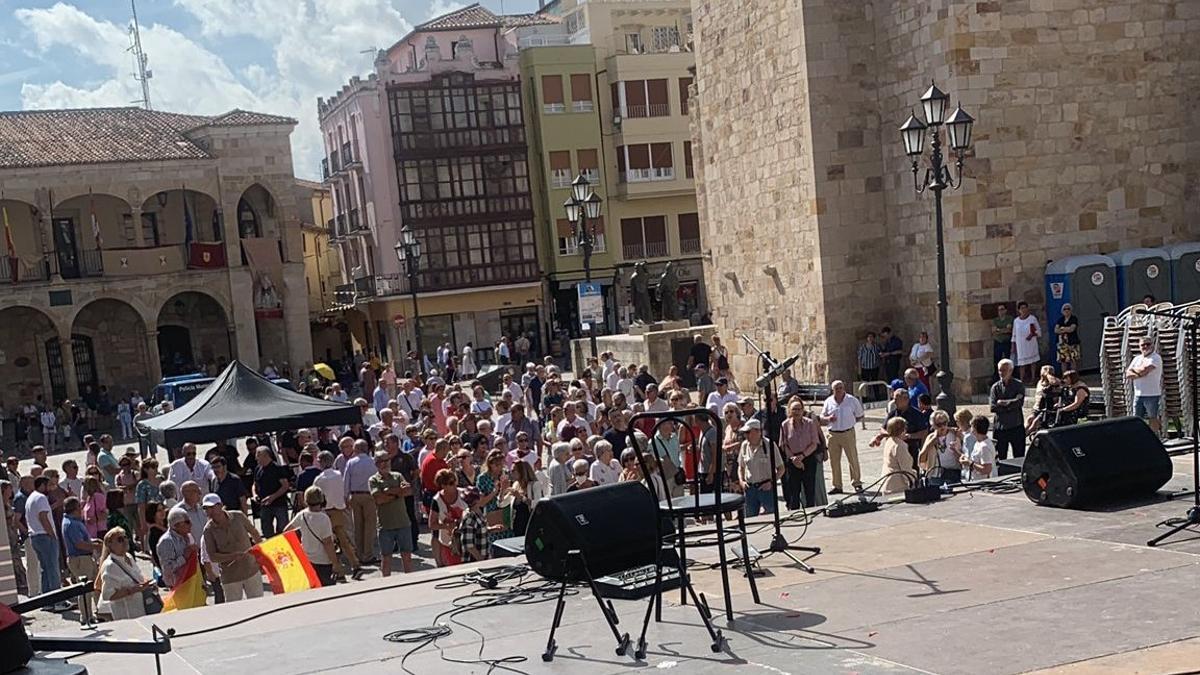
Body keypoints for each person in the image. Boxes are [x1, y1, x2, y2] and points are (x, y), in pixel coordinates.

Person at [202, 493, 264, 602]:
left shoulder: (238, 516)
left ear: (220, 505)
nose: (209, 511)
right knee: (235, 609)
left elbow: (254, 533)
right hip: (230, 577)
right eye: (206, 509)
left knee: (258, 604)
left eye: (212, 507)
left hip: (251, 569)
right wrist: (232, 556)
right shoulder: (208, 530)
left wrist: (261, 555)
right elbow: (212, 556)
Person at [313, 451, 361, 576]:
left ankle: (338, 570)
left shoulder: (319, 479)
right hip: (339, 510)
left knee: (329, 543)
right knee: (343, 540)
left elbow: (317, 496)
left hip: (326, 512)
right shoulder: (339, 474)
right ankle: (355, 564)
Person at [286, 487, 345, 587]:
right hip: (323, 560)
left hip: (307, 559)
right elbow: (328, 543)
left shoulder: (302, 515)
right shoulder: (324, 518)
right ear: (321, 499)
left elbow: (287, 531)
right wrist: (335, 563)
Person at [370, 451, 413, 576]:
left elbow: (408, 490)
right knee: (386, 557)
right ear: (377, 464)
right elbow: (379, 499)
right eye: (382, 461)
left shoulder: (398, 476)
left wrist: (389, 491)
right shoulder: (373, 480)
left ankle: (410, 581)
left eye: (387, 460)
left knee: (407, 555)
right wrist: (398, 494)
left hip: (403, 522)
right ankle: (386, 583)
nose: (385, 463)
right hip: (385, 525)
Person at [96, 528, 154, 620]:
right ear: (110, 544)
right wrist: (132, 590)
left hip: (140, 609)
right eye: (120, 539)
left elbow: (138, 576)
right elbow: (107, 595)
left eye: (126, 537)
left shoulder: (129, 557)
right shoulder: (110, 565)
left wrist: (146, 583)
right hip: (126, 614)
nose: (125, 541)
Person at [26, 476, 67, 607]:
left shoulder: (32, 497)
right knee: (53, 569)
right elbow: (43, 517)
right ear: (42, 485)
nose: (50, 488)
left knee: (45, 569)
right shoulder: (41, 497)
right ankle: (59, 601)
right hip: (45, 537)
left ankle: (47, 602)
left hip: (35, 536)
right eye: (48, 485)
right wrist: (52, 535)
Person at [820, 380, 864, 494]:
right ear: (832, 390)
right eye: (836, 388)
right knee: (834, 461)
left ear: (844, 388)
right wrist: (829, 418)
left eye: (840, 387)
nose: (839, 390)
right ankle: (837, 485)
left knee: (852, 458)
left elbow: (860, 415)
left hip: (847, 433)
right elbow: (822, 416)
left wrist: (850, 422)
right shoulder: (828, 401)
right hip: (833, 434)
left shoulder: (852, 400)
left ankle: (857, 483)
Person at [779, 400, 821, 510]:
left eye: (799, 409)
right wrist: (794, 459)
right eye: (794, 409)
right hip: (792, 460)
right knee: (794, 492)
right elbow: (783, 445)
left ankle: (811, 511)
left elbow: (814, 443)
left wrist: (802, 456)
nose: (796, 412)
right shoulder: (784, 425)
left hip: (808, 458)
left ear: (803, 410)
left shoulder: (810, 423)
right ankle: (795, 513)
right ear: (790, 411)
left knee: (809, 489)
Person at [736, 419, 784, 516]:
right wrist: (741, 481)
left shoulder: (770, 445)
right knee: (750, 519)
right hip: (750, 489)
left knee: (771, 517)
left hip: (766, 488)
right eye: (745, 433)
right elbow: (740, 467)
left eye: (748, 432)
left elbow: (781, 468)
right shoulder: (744, 445)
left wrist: (771, 482)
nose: (746, 435)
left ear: (758, 431)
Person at [343, 439, 379, 565]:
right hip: (369, 495)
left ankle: (359, 553)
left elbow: (346, 481)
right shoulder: (373, 462)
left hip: (355, 495)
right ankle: (368, 554)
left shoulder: (351, 463)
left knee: (357, 526)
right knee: (370, 526)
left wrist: (345, 497)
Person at [990, 359, 1026, 460]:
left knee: (1019, 457)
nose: (1001, 373)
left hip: (1016, 426)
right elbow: (993, 407)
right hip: (1000, 428)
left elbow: (1019, 402)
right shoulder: (995, 387)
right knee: (1001, 458)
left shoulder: (1018, 385)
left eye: (1004, 370)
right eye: (1000, 370)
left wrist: (1002, 403)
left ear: (1011, 370)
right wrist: (1010, 405)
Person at [430, 469, 467, 566]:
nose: (455, 484)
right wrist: (448, 525)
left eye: (455, 481)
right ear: (443, 485)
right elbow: (432, 525)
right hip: (449, 543)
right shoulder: (437, 500)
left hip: (467, 541)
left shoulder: (464, 494)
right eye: (451, 483)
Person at [1127, 336, 1163, 434]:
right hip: (1138, 394)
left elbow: (1145, 371)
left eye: (1148, 344)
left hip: (1152, 394)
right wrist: (1139, 372)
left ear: (1152, 345)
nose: (1145, 346)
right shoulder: (1136, 358)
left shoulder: (1156, 358)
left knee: (1152, 417)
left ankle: (1155, 437)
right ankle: (1139, 438)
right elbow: (1128, 374)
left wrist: (1136, 371)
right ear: (1139, 346)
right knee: (1136, 419)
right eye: (1143, 345)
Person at [252, 447, 291, 538]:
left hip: (279, 504)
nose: (256, 458)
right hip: (264, 505)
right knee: (266, 530)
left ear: (266, 456)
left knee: (283, 530)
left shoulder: (277, 468)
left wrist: (273, 497)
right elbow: (254, 484)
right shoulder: (258, 469)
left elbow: (285, 486)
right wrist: (255, 494)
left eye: (258, 455)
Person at [157, 507, 197, 591]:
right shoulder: (166, 541)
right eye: (187, 522)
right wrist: (184, 557)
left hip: (192, 582)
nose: (191, 524)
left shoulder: (188, 536)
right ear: (176, 525)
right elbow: (168, 569)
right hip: (178, 586)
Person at [919, 410, 963, 485]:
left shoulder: (955, 434)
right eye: (939, 424)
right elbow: (921, 459)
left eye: (944, 423)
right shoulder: (931, 438)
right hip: (936, 474)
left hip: (954, 472)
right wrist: (930, 444)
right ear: (933, 425)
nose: (942, 426)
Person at [878, 417, 917, 494]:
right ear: (903, 430)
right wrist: (912, 482)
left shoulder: (889, 441)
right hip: (898, 487)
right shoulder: (900, 446)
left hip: (887, 483)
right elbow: (905, 469)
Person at [1011, 301, 1041, 383]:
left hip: (1031, 343)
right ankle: (1021, 379)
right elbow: (1014, 334)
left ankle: (1033, 377)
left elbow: (1038, 330)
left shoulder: (1032, 318)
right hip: (1021, 344)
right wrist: (1013, 345)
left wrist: (1032, 334)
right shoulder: (1016, 321)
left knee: (1033, 361)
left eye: (1025, 308)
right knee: (1022, 363)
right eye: (1022, 308)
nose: (1024, 310)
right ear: (1019, 310)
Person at [960, 417, 997, 481]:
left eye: (971, 426)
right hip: (975, 481)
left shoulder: (984, 447)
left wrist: (969, 463)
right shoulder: (978, 442)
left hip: (984, 485)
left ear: (975, 429)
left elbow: (987, 470)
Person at [1054, 303, 1081, 372]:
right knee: (1063, 361)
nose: (1066, 310)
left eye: (1068, 309)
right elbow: (1056, 330)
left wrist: (1062, 328)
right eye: (1064, 309)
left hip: (1072, 343)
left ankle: (1074, 378)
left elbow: (1072, 329)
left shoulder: (1073, 319)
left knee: (1073, 360)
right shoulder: (1060, 320)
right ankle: (1065, 378)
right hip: (1062, 344)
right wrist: (1066, 329)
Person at [992, 303, 1014, 369]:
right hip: (998, 342)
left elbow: (1009, 330)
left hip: (1006, 341)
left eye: (1002, 309)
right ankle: (997, 376)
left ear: (1005, 310)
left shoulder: (1010, 318)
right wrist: (1004, 329)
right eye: (999, 310)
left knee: (1008, 359)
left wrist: (999, 330)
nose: (1000, 311)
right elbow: (993, 331)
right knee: (997, 359)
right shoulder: (995, 320)